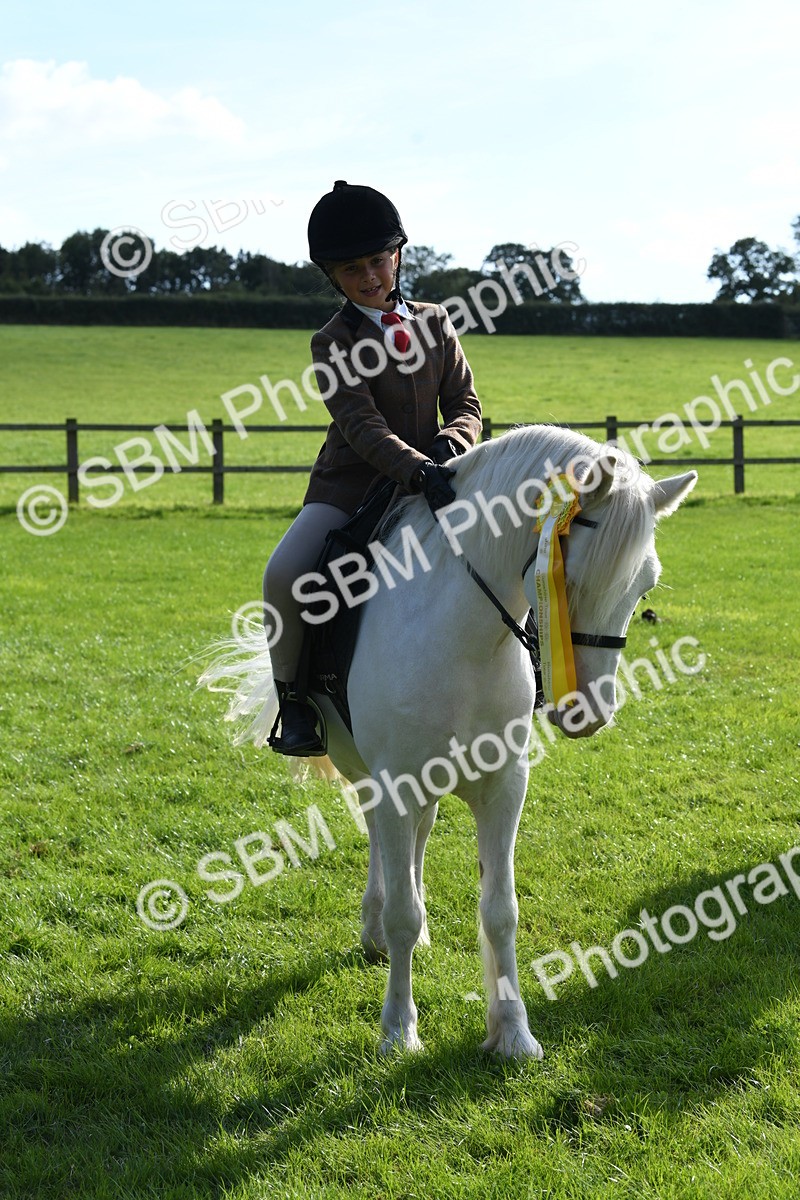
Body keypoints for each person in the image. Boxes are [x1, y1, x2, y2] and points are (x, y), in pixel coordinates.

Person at [263, 180, 482, 755]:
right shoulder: (331, 341)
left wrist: (449, 449)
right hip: (353, 486)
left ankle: (530, 668)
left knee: (511, 543)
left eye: (378, 261)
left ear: (399, 255)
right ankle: (296, 703)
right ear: (332, 277)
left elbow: (466, 405)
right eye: (352, 269)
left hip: (442, 473)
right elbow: (361, 426)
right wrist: (415, 470)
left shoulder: (437, 322)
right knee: (283, 576)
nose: (370, 277)